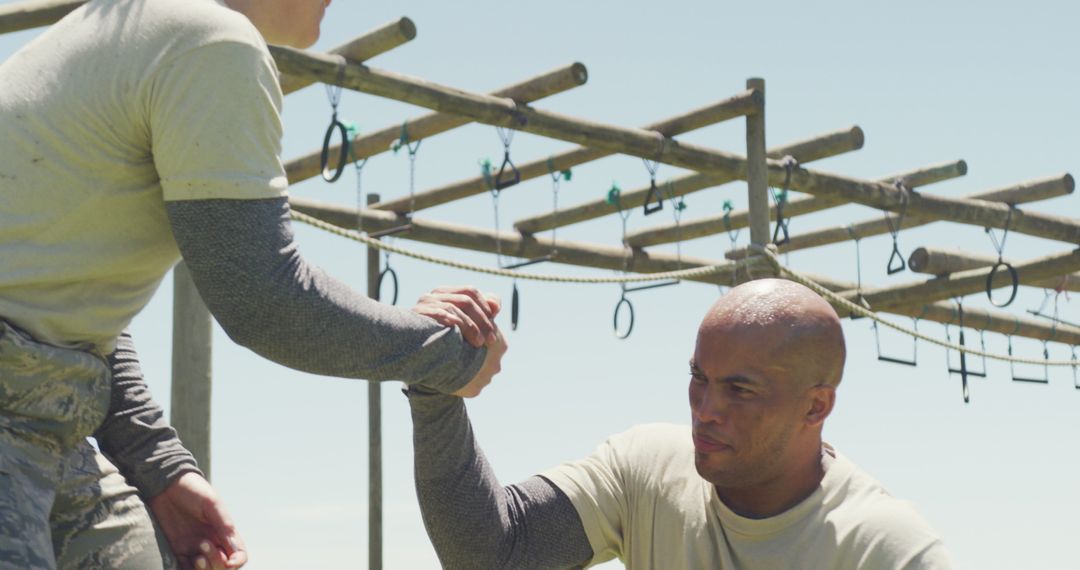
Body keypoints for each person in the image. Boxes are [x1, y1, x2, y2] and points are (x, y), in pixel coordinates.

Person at [0, 0, 505, 568]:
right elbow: (263, 299)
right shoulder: (213, 40)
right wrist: (449, 356)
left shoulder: (126, 31)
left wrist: (155, 460)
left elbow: (69, 309)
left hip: (43, 419)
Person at [408, 278, 953, 569]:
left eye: (740, 389)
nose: (705, 408)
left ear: (816, 407)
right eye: (698, 377)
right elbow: (490, 555)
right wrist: (435, 386)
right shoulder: (647, 471)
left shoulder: (886, 549)